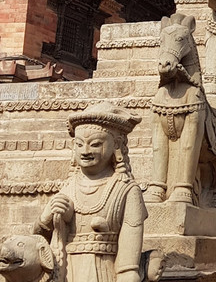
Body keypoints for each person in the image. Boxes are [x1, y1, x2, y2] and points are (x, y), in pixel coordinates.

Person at [35, 103, 148, 282]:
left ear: (116, 144)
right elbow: (39, 245)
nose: (85, 151)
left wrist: (127, 275)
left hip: (105, 272)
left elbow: (128, 264)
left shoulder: (127, 190)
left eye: (95, 144)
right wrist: (47, 220)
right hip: (66, 271)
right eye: (79, 144)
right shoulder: (68, 189)